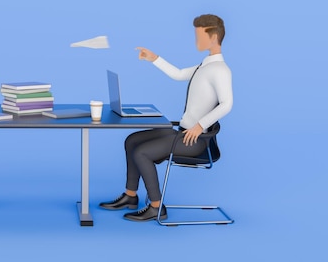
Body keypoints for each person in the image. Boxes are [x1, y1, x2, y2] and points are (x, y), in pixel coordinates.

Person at [99, 14, 233, 222]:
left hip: (194, 141)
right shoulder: (204, 66)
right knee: (132, 140)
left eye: (200, 36)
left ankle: (156, 207)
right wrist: (155, 59)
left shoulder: (220, 70)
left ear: (213, 36)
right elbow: (179, 74)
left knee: (142, 152)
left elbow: (227, 103)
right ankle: (130, 196)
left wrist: (200, 126)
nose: (196, 41)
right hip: (182, 132)